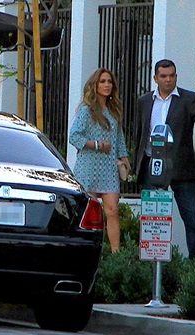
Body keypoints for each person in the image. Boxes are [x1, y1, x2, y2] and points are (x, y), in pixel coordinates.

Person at [134, 59, 195, 259]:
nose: (168, 80)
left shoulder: (187, 99)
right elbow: (139, 133)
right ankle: (151, 261)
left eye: (171, 75)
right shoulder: (144, 101)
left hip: (181, 167)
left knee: (191, 218)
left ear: (176, 76)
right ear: (155, 78)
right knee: (152, 217)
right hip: (153, 165)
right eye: (163, 76)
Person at [69, 68, 131, 253]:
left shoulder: (113, 110)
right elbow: (74, 136)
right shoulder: (87, 111)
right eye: (102, 81)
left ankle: (115, 254)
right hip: (88, 167)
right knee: (89, 214)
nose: (106, 85)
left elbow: (118, 138)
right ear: (94, 85)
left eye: (109, 82)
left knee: (112, 210)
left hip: (109, 168)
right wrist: (97, 145)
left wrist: (125, 158)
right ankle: (89, 251)